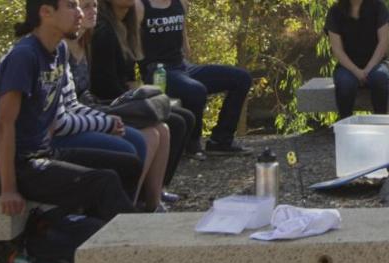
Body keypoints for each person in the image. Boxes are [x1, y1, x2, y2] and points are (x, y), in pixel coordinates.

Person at [0, 0, 138, 221]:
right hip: (10, 166)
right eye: (72, 6)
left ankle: (97, 228)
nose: (80, 13)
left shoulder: (59, 50)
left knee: (129, 165)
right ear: (46, 12)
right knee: (105, 181)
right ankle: (125, 242)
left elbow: (52, 112)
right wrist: (8, 190)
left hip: (43, 154)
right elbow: (3, 125)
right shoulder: (24, 56)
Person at [69, 0, 172, 211]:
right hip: (75, 122)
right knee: (145, 137)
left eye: (94, 6)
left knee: (163, 127)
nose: (89, 12)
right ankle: (128, 206)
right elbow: (65, 108)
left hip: (91, 111)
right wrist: (103, 121)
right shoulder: (63, 48)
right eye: (83, 6)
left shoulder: (84, 42)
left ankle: (153, 202)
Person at [97, 0, 199, 183]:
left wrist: (137, 91)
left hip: (123, 97)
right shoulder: (103, 31)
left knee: (185, 117)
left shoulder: (127, 25)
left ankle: (159, 188)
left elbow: (129, 77)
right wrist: (133, 100)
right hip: (107, 104)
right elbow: (105, 84)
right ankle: (146, 194)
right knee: (176, 122)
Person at [139, 0, 253, 154]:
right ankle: (192, 143)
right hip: (157, 72)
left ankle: (220, 140)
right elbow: (131, 43)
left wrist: (188, 69)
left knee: (242, 78)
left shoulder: (180, 3)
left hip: (183, 67)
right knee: (196, 90)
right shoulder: (140, 6)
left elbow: (185, 45)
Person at [326, 0, 389, 119]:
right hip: (347, 67)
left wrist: (367, 69)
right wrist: (356, 71)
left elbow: (384, 42)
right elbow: (337, 49)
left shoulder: (378, 7)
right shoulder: (335, 11)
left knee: (380, 77)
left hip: (376, 63)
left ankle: (381, 122)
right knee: (345, 83)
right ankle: (345, 125)